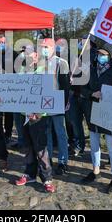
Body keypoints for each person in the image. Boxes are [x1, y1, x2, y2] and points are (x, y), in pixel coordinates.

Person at [80, 44, 112, 193]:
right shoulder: (91, 71)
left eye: (103, 54)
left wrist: (107, 96)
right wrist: (92, 94)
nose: (100, 56)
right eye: (99, 54)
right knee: (94, 144)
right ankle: (95, 170)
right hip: (92, 112)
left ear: (110, 56)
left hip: (109, 115)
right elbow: (82, 90)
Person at [37, 38, 70, 175]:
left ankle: (63, 162)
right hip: (43, 102)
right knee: (47, 133)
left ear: (52, 47)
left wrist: (64, 102)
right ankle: (48, 158)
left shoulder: (61, 63)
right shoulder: (39, 63)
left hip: (56, 102)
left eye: (45, 46)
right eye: (42, 47)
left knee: (60, 133)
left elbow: (65, 85)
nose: (43, 49)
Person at [68, 35, 98, 157]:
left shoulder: (96, 56)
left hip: (88, 96)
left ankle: (95, 148)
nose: (81, 43)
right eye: (81, 41)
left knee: (91, 123)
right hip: (75, 94)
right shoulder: (77, 55)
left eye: (84, 41)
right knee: (75, 122)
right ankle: (79, 145)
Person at [0, 34, 14, 144]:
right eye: (0, 42)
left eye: (3, 42)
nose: (1, 44)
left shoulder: (12, 54)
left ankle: (8, 134)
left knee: (8, 112)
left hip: (10, 86)